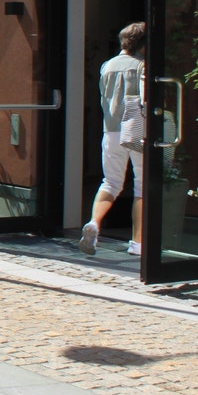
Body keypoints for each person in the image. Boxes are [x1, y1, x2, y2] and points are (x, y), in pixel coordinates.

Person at [82, 22, 147, 257]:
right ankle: (137, 243)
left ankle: (94, 224)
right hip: (136, 128)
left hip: (110, 130)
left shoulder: (106, 66)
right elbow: (145, 100)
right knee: (142, 185)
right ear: (143, 44)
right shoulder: (141, 67)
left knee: (110, 183)